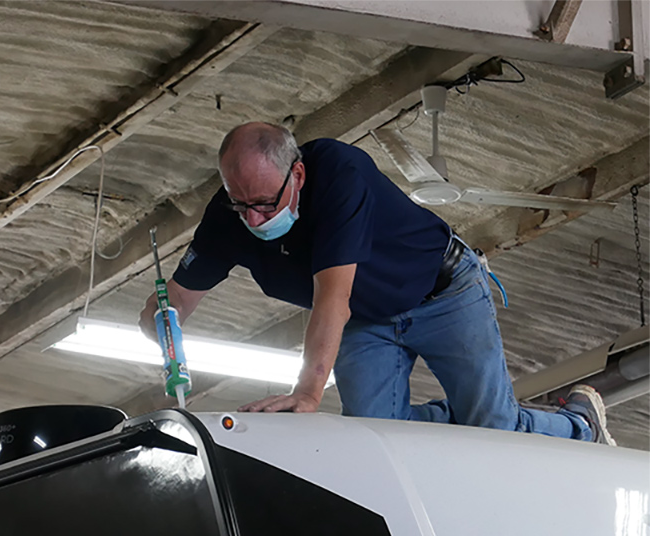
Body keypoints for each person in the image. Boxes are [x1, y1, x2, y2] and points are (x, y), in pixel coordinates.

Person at [139, 122, 614, 444]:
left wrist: (307, 392)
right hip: (369, 319)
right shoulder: (229, 217)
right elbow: (176, 300)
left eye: (264, 202)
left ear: (297, 174)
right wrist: (164, 325)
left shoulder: (341, 175)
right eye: (240, 203)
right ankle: (459, 416)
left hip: (443, 293)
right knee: (376, 431)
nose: (254, 217)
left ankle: (579, 424)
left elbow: (333, 298)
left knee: (491, 427)